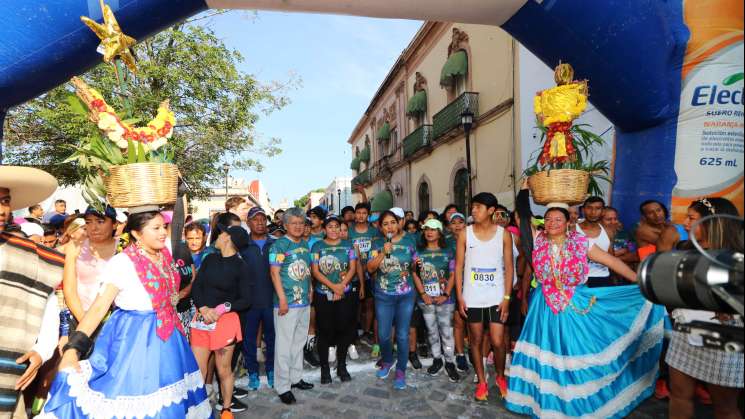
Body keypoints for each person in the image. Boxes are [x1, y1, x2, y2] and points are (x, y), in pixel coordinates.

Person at [41, 210, 211, 418]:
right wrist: (72, 350)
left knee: (174, 404)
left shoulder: (164, 255)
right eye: (156, 228)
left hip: (171, 343)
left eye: (163, 227)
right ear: (137, 234)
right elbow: (98, 308)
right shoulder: (122, 263)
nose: (163, 233)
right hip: (136, 343)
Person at [505, 200, 666, 417]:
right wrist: (524, 193)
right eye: (548, 219)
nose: (552, 223)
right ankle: (543, 401)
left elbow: (612, 261)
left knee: (573, 351)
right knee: (545, 351)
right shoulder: (538, 240)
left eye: (558, 219)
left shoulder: (582, 243)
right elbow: (522, 218)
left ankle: (574, 402)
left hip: (574, 305)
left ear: (568, 222)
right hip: (542, 307)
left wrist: (641, 281)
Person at [666, 198, 744, 419]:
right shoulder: (685, 249)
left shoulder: (737, 257)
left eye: (692, 218)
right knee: (679, 395)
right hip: (685, 331)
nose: (685, 223)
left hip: (724, 337)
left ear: (713, 222)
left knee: (725, 408)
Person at [0, 166, 64, 418]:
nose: (2, 209)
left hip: (8, 372)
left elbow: (48, 305)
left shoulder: (31, 255)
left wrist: (42, 350)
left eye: (5, 201)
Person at [454, 192, 514, 401]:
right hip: (472, 297)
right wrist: (460, 296)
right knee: (476, 339)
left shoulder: (503, 234)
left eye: (478, 207)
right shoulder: (465, 234)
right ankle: (481, 381)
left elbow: (509, 267)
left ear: (491, 211)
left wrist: (507, 298)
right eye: (473, 207)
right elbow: (459, 266)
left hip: (496, 295)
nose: (473, 210)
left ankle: (499, 376)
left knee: (498, 341)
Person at [190, 224, 253, 418]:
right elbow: (197, 287)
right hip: (201, 320)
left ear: (228, 239)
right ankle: (199, 409)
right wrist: (203, 308)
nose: (217, 235)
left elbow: (246, 300)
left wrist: (223, 308)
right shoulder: (209, 259)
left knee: (223, 370)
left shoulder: (241, 266)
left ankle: (226, 409)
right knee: (197, 371)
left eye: (221, 233)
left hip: (225, 323)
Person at [367, 210, 418, 390]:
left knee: (403, 335)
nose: (390, 226)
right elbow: (371, 269)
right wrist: (382, 253)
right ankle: (388, 361)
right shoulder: (376, 244)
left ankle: (401, 370)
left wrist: (415, 265)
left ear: (398, 224)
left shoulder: (409, 241)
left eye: (393, 222)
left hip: (406, 295)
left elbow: (413, 265)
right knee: (384, 334)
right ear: (380, 227)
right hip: (383, 296)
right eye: (386, 223)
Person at [269, 208, 314, 405]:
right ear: (285, 225)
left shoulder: (304, 244)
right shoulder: (279, 245)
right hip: (286, 303)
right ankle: (283, 386)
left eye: (301, 223)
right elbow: (274, 273)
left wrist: (311, 287)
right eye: (294, 223)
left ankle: (296, 378)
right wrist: (282, 299)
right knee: (284, 346)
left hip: (303, 301)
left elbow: (307, 269)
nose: (298, 226)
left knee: (298, 343)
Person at [311, 215, 358, 384]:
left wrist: (341, 286)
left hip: (344, 294)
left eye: (336, 226)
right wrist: (333, 286)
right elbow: (315, 271)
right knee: (325, 331)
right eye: (330, 226)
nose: (333, 229)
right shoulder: (317, 246)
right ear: (324, 229)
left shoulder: (348, 246)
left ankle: (341, 366)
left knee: (344, 330)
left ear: (341, 229)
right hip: (323, 294)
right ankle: (325, 368)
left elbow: (352, 269)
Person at [412, 219, 460, 382]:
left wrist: (445, 294)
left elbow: (453, 275)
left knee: (446, 331)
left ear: (440, 232)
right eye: (427, 229)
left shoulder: (449, 252)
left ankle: (449, 361)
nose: (429, 232)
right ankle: (437, 359)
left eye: (433, 229)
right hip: (425, 299)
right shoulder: (418, 253)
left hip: (445, 299)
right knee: (431, 330)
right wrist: (423, 293)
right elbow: (415, 274)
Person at [237, 207, 276, 391]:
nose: (260, 223)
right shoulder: (242, 247)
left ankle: (271, 370)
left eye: (263, 219)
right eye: (255, 219)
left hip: (271, 300)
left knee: (272, 338)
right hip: (249, 303)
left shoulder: (275, 244)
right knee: (249, 340)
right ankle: (252, 371)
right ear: (248, 223)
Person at [62, 206, 117, 330]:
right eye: (88, 222)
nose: (94, 227)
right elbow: (69, 289)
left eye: (100, 221)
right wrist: (86, 324)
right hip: (79, 318)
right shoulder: (75, 247)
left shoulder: (123, 248)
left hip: (114, 321)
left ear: (114, 224)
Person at [349, 202, 380, 355]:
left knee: (370, 303)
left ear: (368, 215)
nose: (361, 215)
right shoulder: (349, 231)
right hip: (354, 274)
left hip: (371, 273)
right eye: (358, 212)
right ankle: (354, 332)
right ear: (355, 214)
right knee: (355, 306)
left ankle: (367, 332)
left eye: (364, 213)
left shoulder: (375, 231)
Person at [445, 211, 469, 373]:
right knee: (458, 322)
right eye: (454, 223)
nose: (457, 225)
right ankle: (460, 353)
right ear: (448, 227)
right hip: (452, 286)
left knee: (474, 324)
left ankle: (475, 352)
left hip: (472, 285)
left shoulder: (473, 240)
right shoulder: (445, 243)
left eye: (461, 222)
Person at [575, 196, 616, 287]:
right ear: (583, 210)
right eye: (589, 208)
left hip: (602, 278)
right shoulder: (573, 229)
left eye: (598, 208)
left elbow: (611, 258)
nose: (593, 212)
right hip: (577, 279)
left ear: (603, 211)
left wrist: (613, 280)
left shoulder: (608, 231)